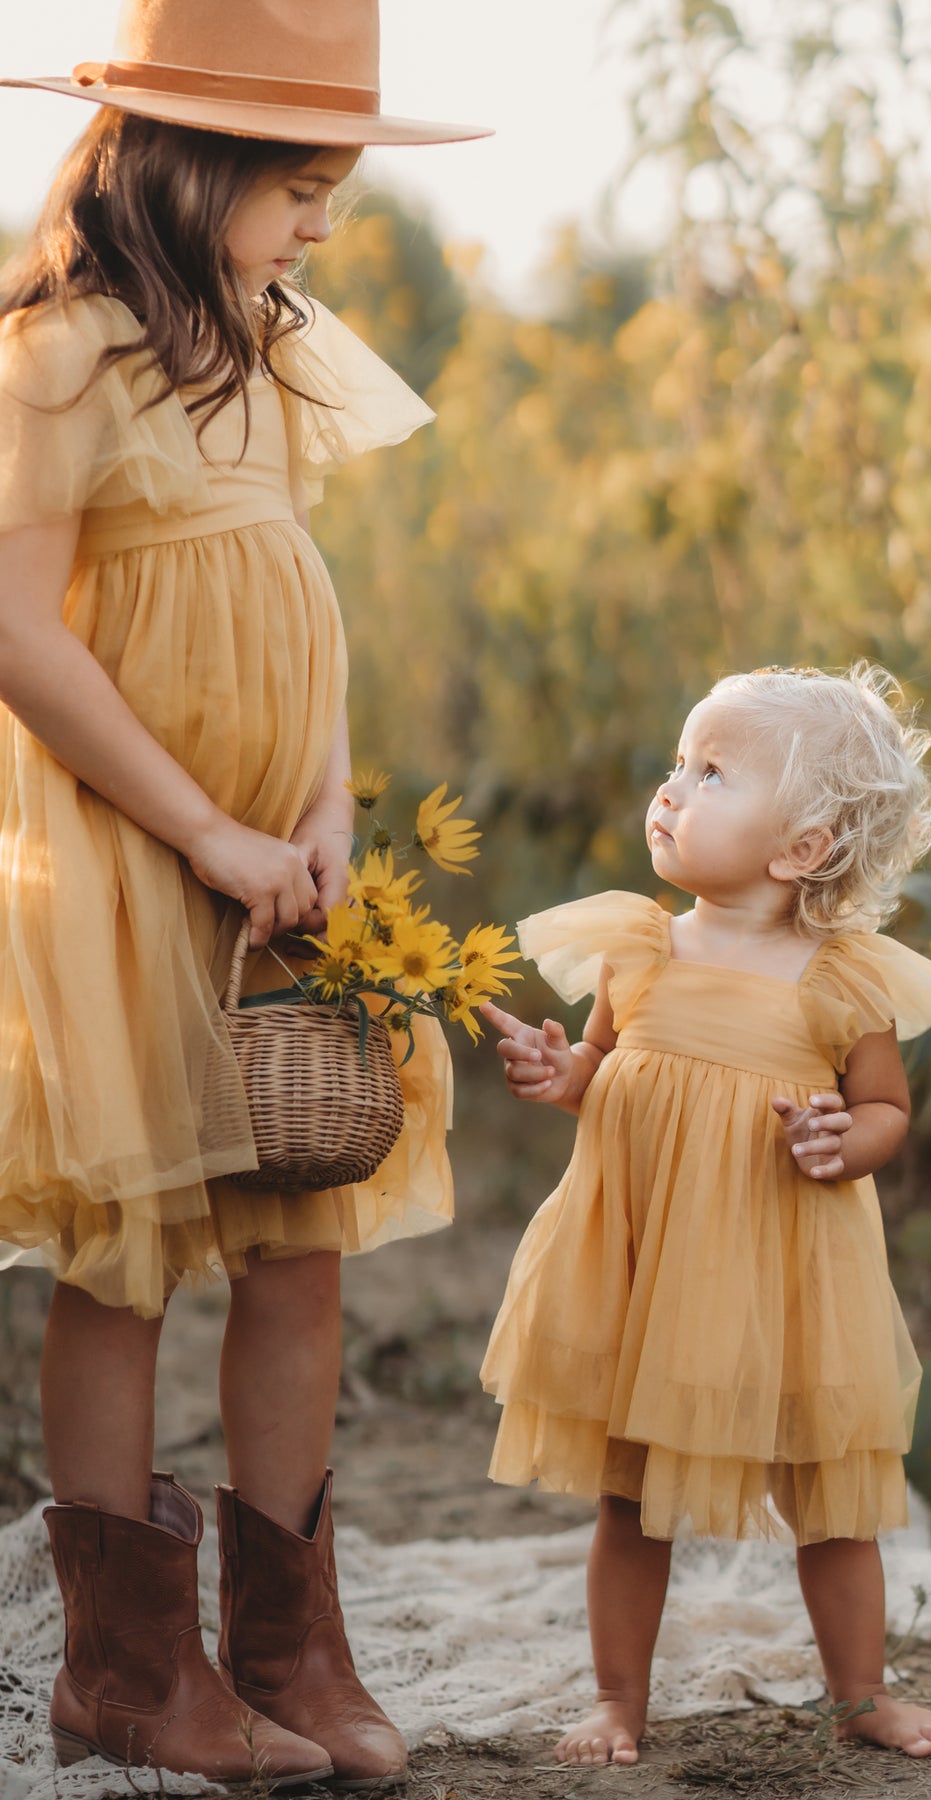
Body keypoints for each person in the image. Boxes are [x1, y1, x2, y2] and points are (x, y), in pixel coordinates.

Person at [0, 0, 489, 1786]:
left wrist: (323, 798)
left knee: (301, 1233)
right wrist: (203, 828)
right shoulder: (62, 352)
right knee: (127, 1251)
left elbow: (303, 589)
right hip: (138, 852)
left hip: (276, 859)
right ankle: (129, 1668)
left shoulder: (278, 342)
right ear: (190, 165)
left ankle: (294, 1647)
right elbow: (18, 634)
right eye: (302, 188)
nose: (326, 226)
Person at [480, 665, 931, 1767]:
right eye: (677, 763)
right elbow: (600, 1073)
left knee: (831, 1501)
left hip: (785, 1278)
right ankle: (620, 1700)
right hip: (643, 1264)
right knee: (630, 1494)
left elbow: (886, 1110)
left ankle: (862, 1695)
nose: (671, 789)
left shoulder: (839, 979)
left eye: (710, 772)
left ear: (801, 847)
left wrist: (841, 1144)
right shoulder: (641, 947)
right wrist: (557, 1069)